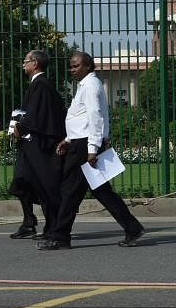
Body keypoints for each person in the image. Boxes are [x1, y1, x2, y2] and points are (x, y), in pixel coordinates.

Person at [37, 51, 145, 250]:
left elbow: (96, 117)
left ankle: (60, 236)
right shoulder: (86, 85)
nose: (72, 69)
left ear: (87, 66)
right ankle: (132, 227)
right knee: (102, 192)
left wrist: (92, 148)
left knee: (70, 190)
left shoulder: (90, 86)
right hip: (80, 143)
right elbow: (81, 118)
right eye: (71, 66)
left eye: (76, 66)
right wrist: (68, 139)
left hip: (85, 147)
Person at [7, 50, 65, 239]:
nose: (23, 64)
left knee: (44, 185)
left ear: (35, 63)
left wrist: (20, 127)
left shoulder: (41, 85)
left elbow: (37, 115)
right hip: (29, 145)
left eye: (26, 61)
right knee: (21, 181)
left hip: (39, 145)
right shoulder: (37, 85)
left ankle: (52, 227)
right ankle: (29, 222)